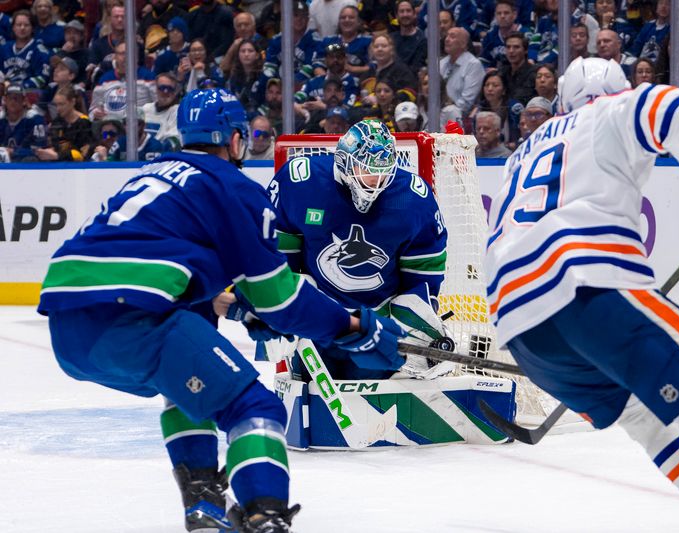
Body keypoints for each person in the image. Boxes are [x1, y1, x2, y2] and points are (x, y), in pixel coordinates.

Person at [37, 88, 405, 533]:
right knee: (255, 408)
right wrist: (351, 327)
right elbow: (281, 300)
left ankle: (204, 507)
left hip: (68, 328)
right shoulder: (233, 187)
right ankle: (265, 517)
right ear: (234, 140)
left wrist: (240, 309)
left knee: (189, 389)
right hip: (132, 317)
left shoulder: (148, 174)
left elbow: (175, 272)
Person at [487, 56, 679, 533]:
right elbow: (677, 109)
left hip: (519, 327)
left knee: (649, 425)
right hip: (581, 282)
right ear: (616, 91)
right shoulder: (609, 112)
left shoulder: (519, 155)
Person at [266, 119, 451, 381]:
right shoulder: (301, 181)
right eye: (366, 171)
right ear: (343, 160)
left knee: (369, 413)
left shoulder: (413, 198)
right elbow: (276, 254)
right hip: (317, 319)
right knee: (312, 406)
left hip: (376, 328)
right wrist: (279, 307)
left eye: (382, 173)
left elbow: (424, 271)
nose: (374, 182)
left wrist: (418, 316)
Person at [35, 85, 93, 161]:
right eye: (56, 105)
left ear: (72, 102)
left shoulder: (84, 122)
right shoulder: (56, 122)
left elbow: (82, 153)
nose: (58, 109)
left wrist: (57, 156)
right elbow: (54, 144)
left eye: (62, 104)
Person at [0, 9, 51, 90]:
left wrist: (22, 86)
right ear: (13, 27)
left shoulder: (40, 51)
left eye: (26, 25)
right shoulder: (4, 48)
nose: (22, 28)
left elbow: (42, 79)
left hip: (29, 94)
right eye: (18, 25)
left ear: (33, 28)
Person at [142, 72, 182, 150]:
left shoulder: (178, 111)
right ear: (156, 89)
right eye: (162, 88)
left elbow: (172, 141)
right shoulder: (145, 108)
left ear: (175, 92)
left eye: (169, 89)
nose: (165, 92)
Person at [391, 0, 427, 74]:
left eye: (408, 11)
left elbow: (416, 68)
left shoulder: (422, 40)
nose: (405, 14)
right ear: (396, 16)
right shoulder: (391, 39)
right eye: (402, 11)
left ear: (414, 14)